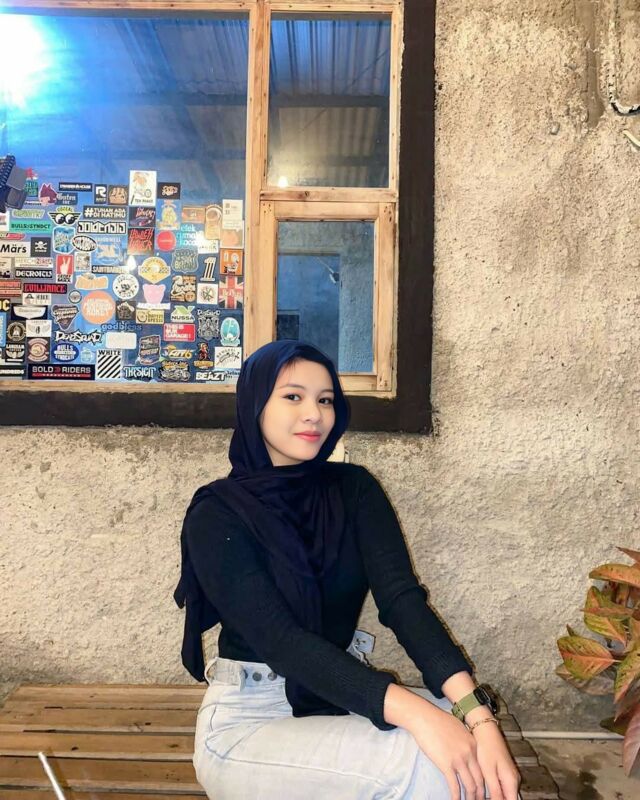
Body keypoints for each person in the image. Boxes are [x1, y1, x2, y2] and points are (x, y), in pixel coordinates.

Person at [174, 339, 522, 800]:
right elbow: (282, 642)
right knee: (437, 770)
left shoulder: (353, 489)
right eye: (293, 396)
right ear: (255, 404)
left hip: (337, 698)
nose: (314, 414)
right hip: (249, 723)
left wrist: (477, 714)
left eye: (325, 400)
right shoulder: (217, 513)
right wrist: (419, 714)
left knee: (475, 755)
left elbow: (402, 602)